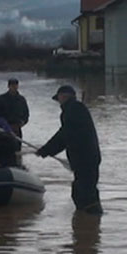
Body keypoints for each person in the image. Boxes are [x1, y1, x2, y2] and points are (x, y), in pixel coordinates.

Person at [36, 85, 102, 215]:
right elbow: (67, 137)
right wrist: (47, 150)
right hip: (85, 158)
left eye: (59, 98)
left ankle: (89, 224)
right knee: (81, 191)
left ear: (63, 97)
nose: (58, 102)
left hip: (85, 158)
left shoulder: (73, 109)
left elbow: (65, 134)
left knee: (84, 192)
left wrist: (46, 149)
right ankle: (88, 224)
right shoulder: (74, 109)